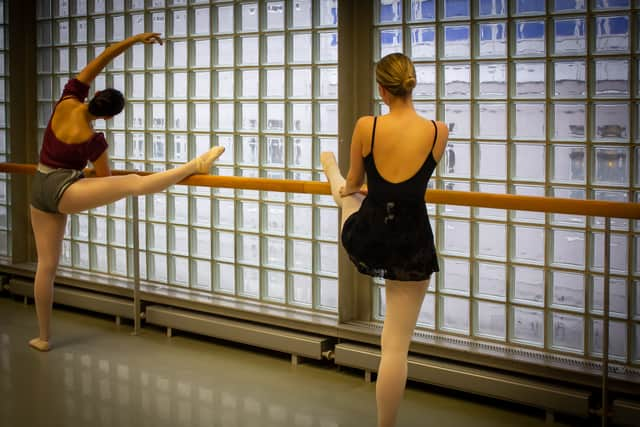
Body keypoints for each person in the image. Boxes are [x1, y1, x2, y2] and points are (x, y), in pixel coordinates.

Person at [29, 33, 224, 352]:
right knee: (133, 181)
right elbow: (105, 178)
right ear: (107, 116)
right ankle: (193, 166)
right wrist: (87, 166)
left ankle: (43, 337)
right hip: (64, 190)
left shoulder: (68, 97)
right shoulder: (94, 140)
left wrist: (135, 40)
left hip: (39, 185)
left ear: (94, 96)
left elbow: (104, 56)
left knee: (45, 266)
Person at [321, 52, 448, 427]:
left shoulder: (368, 126)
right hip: (413, 239)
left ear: (382, 88)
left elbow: (355, 185)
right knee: (395, 348)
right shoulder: (439, 131)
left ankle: (327, 166)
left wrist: (340, 176)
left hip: (372, 231)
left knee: (344, 194)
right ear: (411, 85)